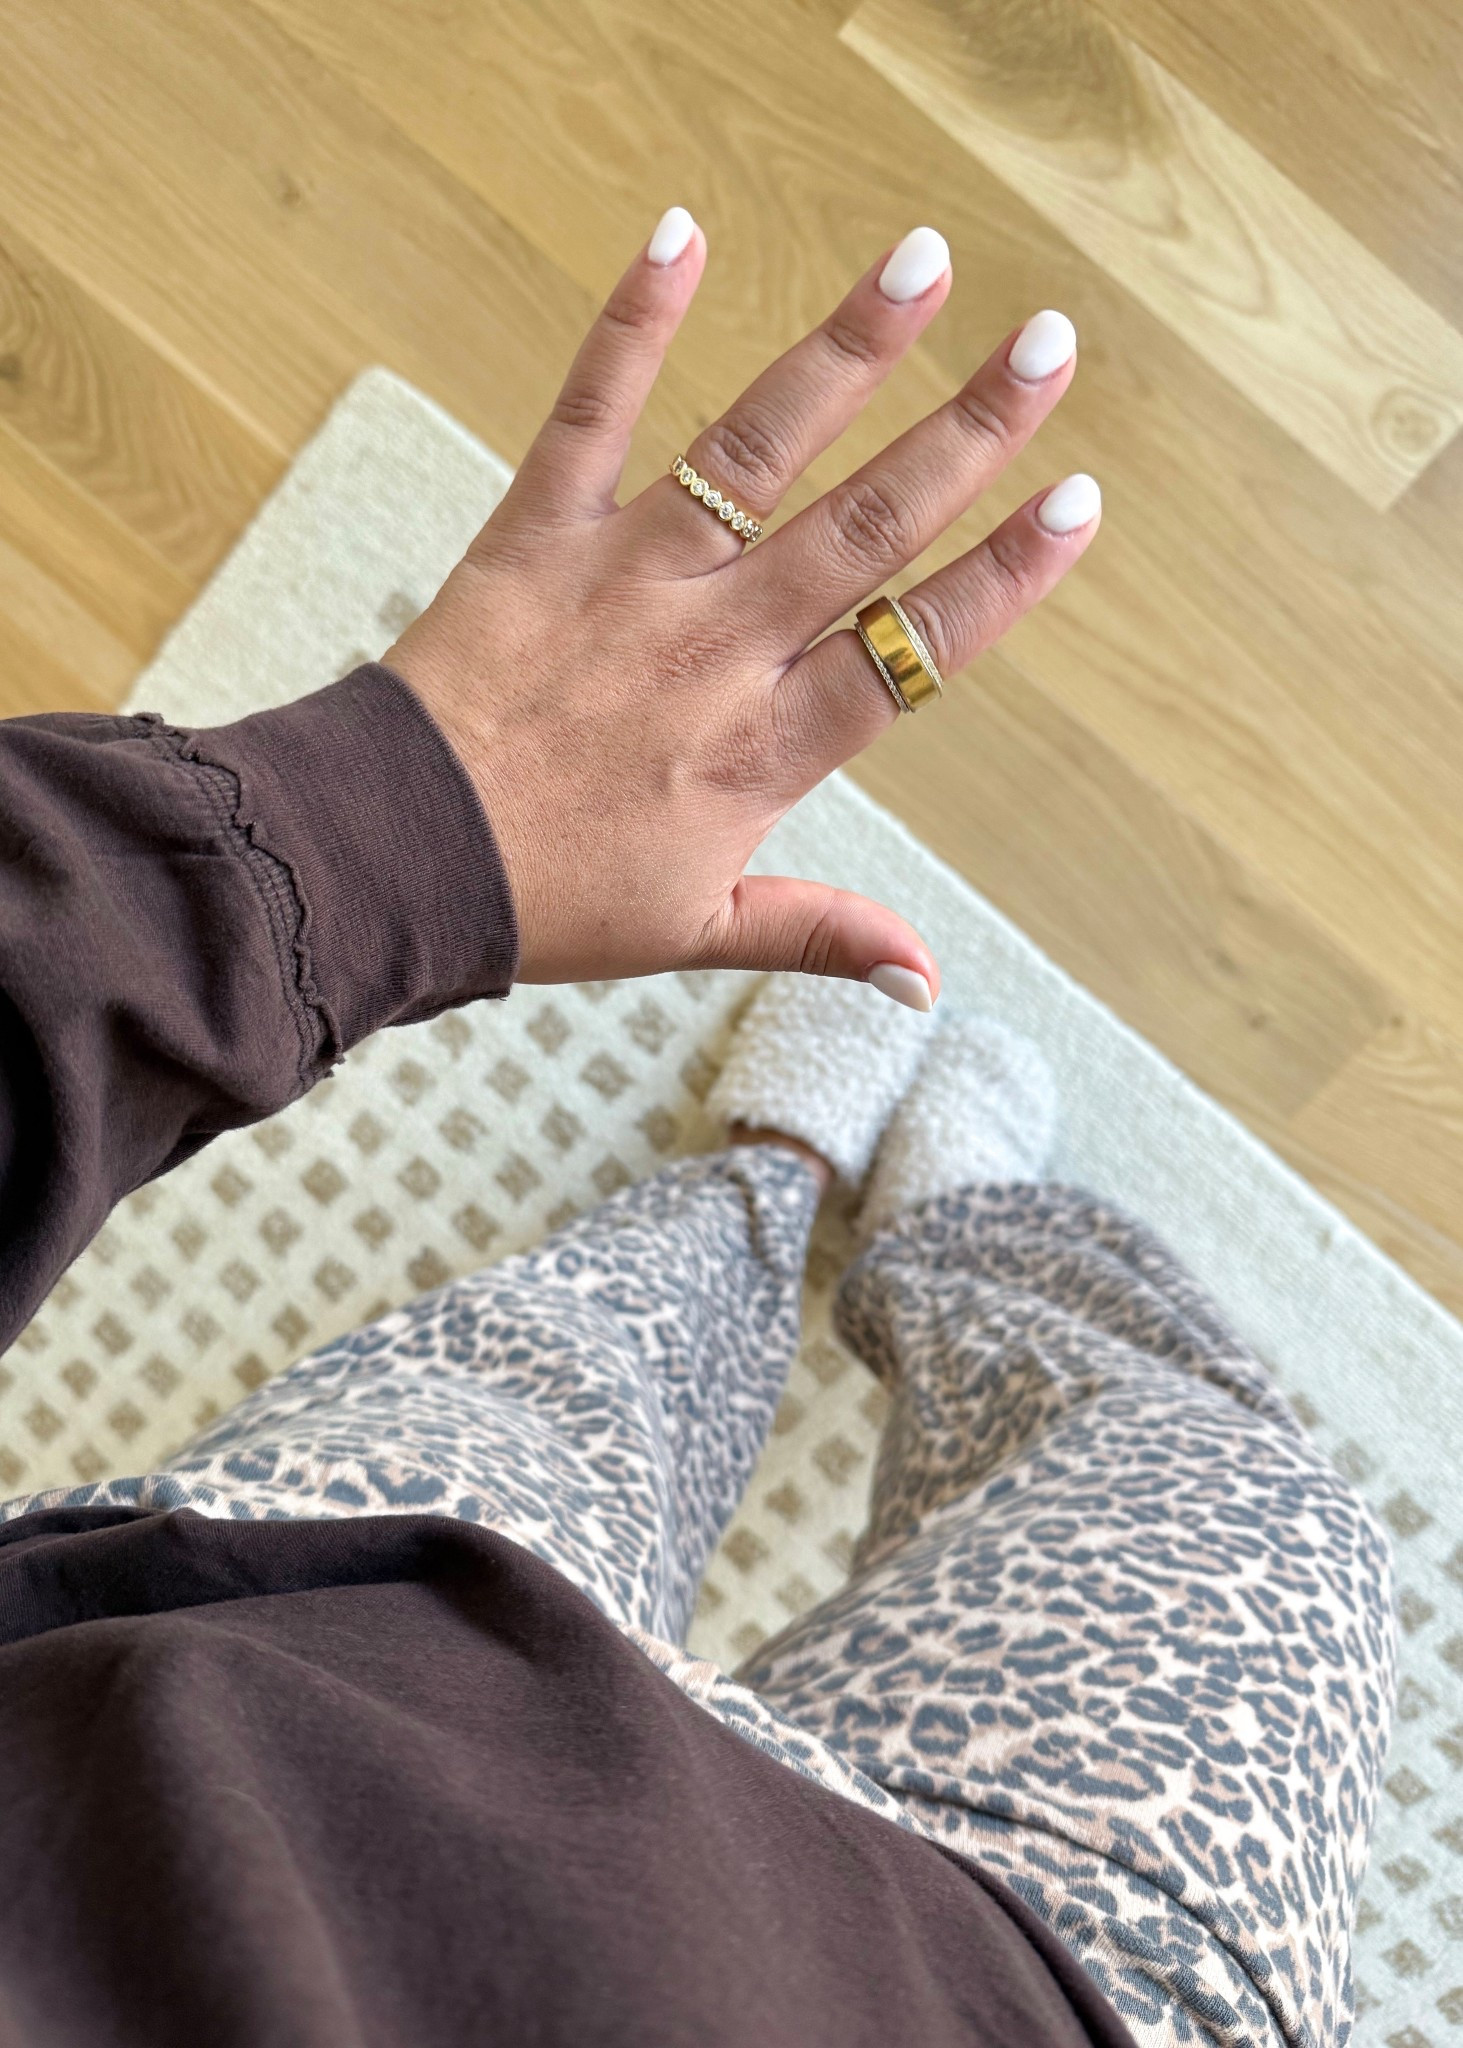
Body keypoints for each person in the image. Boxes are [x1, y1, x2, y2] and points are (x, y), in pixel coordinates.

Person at [0, 210, 1392, 2048]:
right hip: (1045, 1986)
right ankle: (954, 1232)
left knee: (595, 1349)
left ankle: (769, 1187)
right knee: (1266, 1517)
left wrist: (386, 831)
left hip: (313, 1632)